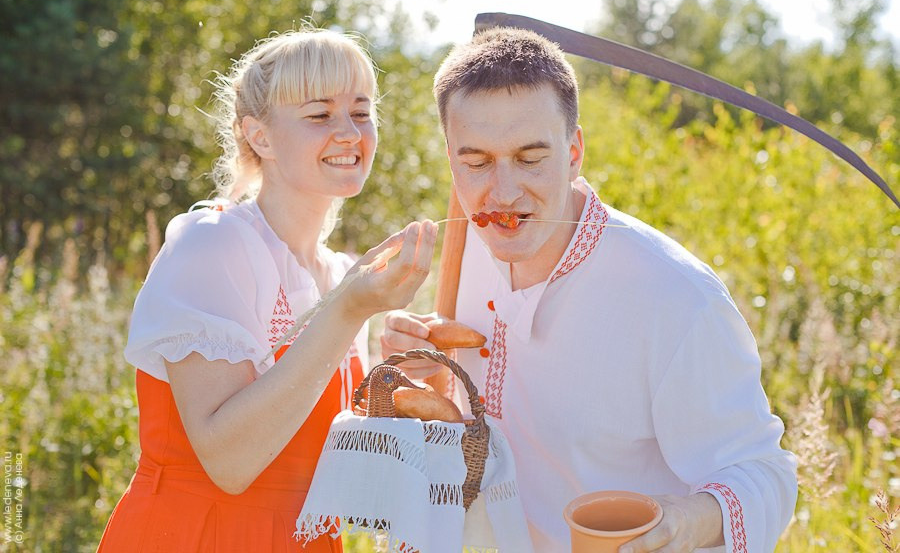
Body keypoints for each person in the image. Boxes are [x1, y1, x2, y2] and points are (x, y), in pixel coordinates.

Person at [381, 28, 797, 552]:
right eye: (477, 161)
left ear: (574, 150)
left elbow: (766, 476)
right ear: (450, 159)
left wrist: (679, 523)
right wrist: (427, 375)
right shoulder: (465, 245)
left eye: (531, 158)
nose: (504, 192)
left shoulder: (676, 297)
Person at [98, 29, 437, 552]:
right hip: (202, 535)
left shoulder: (339, 270)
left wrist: (397, 383)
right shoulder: (213, 245)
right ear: (260, 136)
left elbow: (324, 460)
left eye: (362, 112)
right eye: (319, 115)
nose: (349, 132)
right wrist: (347, 313)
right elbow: (230, 464)